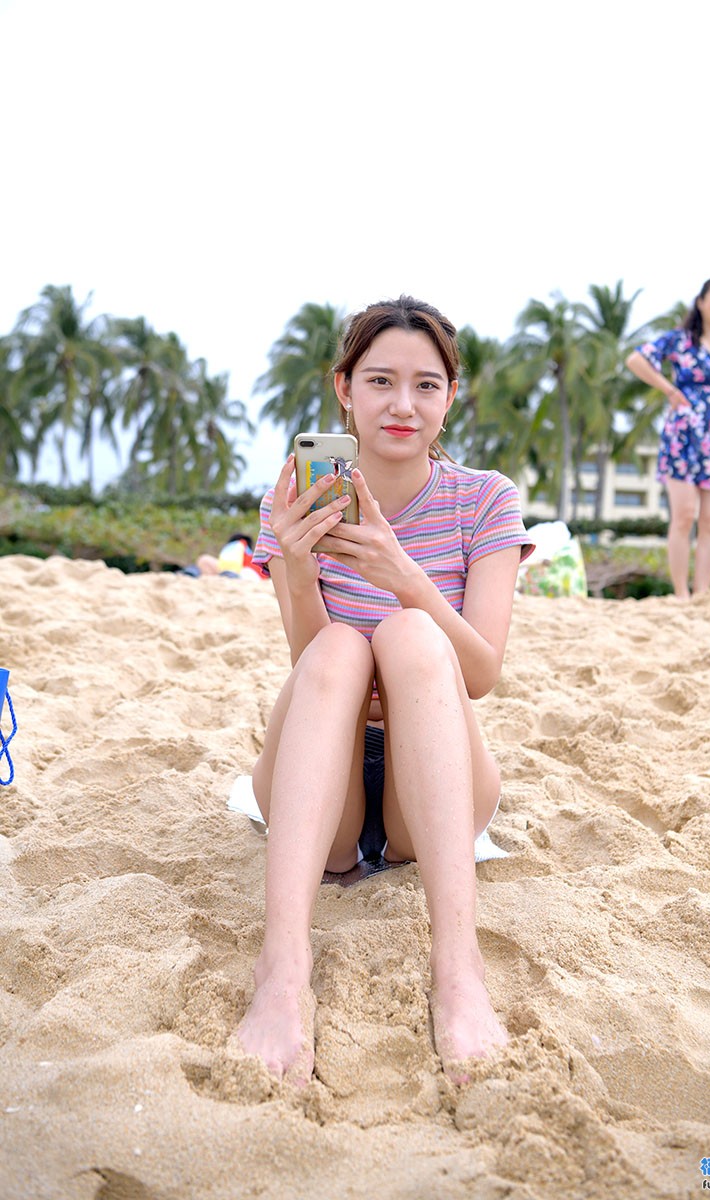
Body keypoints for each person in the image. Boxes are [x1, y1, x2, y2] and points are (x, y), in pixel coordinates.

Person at [237, 295, 533, 1085]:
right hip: (323, 770)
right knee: (339, 646)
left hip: (432, 773)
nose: (403, 405)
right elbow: (307, 661)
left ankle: (458, 969)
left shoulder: (485, 500)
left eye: (426, 385)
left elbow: (481, 674)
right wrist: (300, 567)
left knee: (410, 635)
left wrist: (407, 578)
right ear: (344, 388)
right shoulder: (296, 498)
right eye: (380, 381)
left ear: (451, 397)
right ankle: (282, 970)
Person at [625, 277, 710, 599]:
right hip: (683, 437)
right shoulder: (679, 341)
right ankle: (681, 594)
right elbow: (636, 360)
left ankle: (702, 593)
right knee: (684, 516)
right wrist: (670, 390)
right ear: (701, 301)